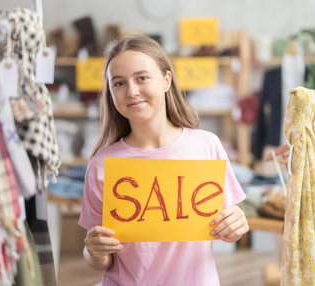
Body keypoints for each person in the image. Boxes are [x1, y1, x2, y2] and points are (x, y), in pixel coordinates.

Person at [78, 34, 249, 286]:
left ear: (167, 80)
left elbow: (227, 228)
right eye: (119, 83)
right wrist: (94, 252)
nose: (132, 91)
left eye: (142, 78)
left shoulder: (206, 146)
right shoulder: (102, 165)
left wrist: (237, 225)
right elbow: (99, 259)